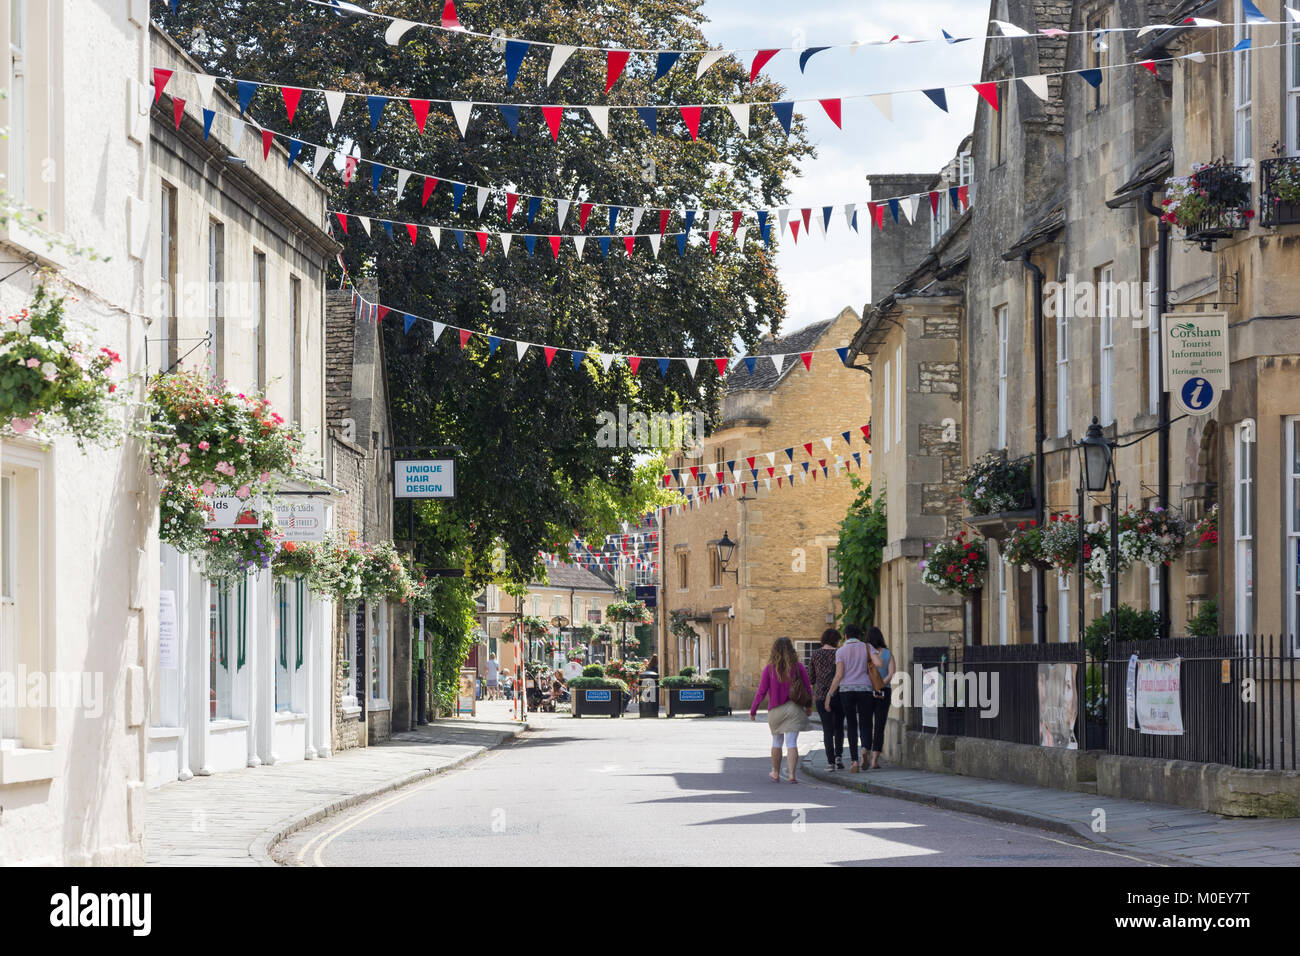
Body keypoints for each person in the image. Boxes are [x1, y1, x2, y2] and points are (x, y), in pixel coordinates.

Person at [749, 637, 814, 784]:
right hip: (795, 708)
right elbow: (807, 688)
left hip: (775, 710)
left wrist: (753, 710)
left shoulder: (769, 669)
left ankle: (776, 773)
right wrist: (809, 706)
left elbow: (761, 691)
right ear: (791, 649)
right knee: (791, 743)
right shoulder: (798, 667)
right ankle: (791, 775)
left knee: (777, 741)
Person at [824, 623, 872, 772]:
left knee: (851, 725)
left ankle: (854, 761)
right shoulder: (867, 648)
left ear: (845, 636)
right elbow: (878, 663)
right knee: (865, 723)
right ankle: (865, 748)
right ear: (859, 636)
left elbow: (838, 675)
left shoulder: (841, 651)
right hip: (865, 688)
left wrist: (829, 694)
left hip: (846, 690)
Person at [809, 628, 845, 770]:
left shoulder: (815, 654)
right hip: (839, 694)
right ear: (835, 640)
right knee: (839, 727)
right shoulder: (839, 653)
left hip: (821, 696)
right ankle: (838, 756)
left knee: (827, 729)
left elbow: (811, 677)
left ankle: (830, 762)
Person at [863, 626, 896, 770]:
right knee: (880, 725)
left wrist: (873, 685)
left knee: (866, 724)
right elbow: (891, 672)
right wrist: (881, 685)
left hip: (868, 691)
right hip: (884, 691)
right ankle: (875, 760)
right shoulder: (888, 654)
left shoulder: (866, 653)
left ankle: (866, 751)